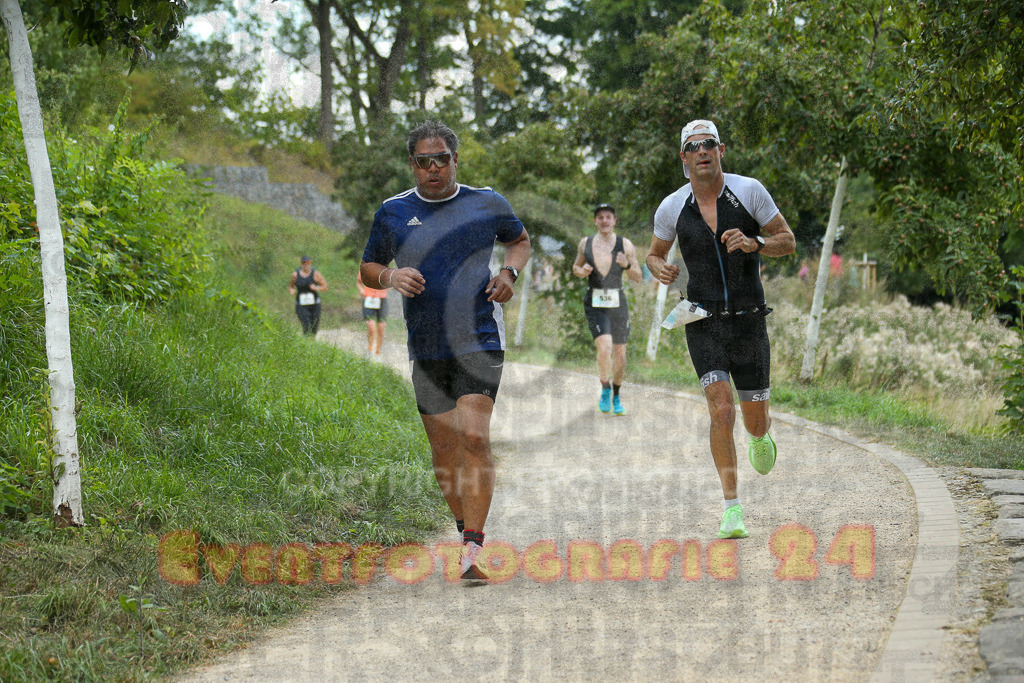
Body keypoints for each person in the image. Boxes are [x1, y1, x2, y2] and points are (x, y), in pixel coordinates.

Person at [359, 120, 531, 581]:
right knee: (443, 446)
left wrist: (509, 275)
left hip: (480, 336)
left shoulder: (486, 202)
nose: (433, 168)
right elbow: (369, 265)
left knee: (474, 436)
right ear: (412, 165)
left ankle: (473, 548)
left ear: (456, 161)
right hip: (426, 343)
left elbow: (519, 240)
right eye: (423, 161)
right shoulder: (392, 212)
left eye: (442, 160)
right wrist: (390, 277)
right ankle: (462, 530)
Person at [646, 119, 795, 540]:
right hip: (701, 320)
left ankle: (760, 434)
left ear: (721, 150)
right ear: (684, 158)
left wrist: (756, 243)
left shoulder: (750, 191)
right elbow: (653, 255)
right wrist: (660, 268)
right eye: (693, 146)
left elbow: (788, 240)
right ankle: (732, 508)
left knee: (754, 420)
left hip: (749, 323)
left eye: (709, 143)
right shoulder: (672, 206)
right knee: (721, 409)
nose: (702, 151)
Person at [572, 203, 643, 415]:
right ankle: (605, 387)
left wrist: (627, 266)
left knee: (620, 354)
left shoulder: (626, 245)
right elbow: (576, 267)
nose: (604, 221)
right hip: (595, 302)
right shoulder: (585, 243)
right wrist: (581, 271)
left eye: (608, 217)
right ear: (595, 221)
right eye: (600, 217)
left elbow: (638, 277)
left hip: (617, 303)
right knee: (605, 347)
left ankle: (617, 395)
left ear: (614, 221)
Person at [288, 255, 328, 335]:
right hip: (301, 304)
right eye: (304, 263)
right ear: (301, 264)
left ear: (310, 264)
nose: (306, 265)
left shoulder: (315, 274)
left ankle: (312, 343)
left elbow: (325, 286)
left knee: (314, 326)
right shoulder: (295, 275)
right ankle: (306, 342)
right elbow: (291, 286)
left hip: (315, 304)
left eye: (308, 263)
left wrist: (316, 288)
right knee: (306, 324)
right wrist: (292, 291)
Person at [357, 272, 388, 362]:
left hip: (382, 299)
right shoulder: (366, 264)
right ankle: (370, 350)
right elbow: (359, 282)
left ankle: (378, 353)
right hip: (369, 298)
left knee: (382, 328)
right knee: (371, 327)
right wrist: (361, 290)